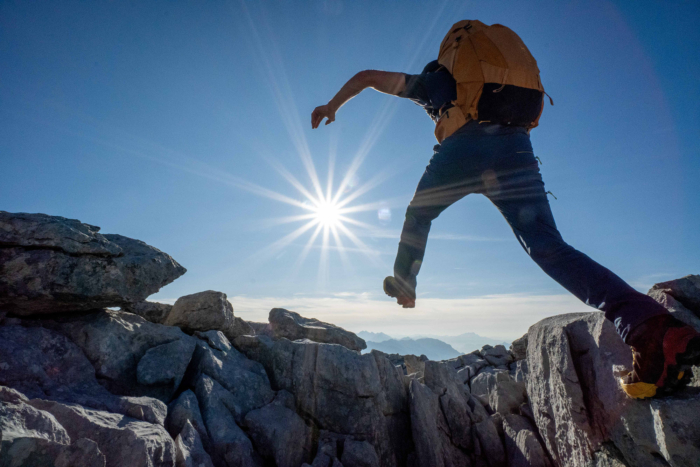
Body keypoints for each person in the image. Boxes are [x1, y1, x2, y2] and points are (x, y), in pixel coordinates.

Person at [310, 24, 700, 399]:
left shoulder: (434, 82)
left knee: (419, 213)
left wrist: (332, 105)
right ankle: (653, 330)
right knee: (549, 247)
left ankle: (405, 282)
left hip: (465, 149)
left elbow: (367, 76)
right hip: (515, 148)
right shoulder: (492, 85)